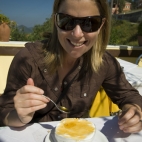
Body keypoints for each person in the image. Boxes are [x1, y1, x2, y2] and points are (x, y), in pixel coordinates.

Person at [0, 0, 142, 133]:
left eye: (89, 23)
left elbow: (129, 95)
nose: (77, 34)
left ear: (101, 25)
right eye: (67, 21)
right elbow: (4, 113)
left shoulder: (104, 62)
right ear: (56, 21)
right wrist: (19, 116)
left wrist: (134, 111)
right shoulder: (27, 59)